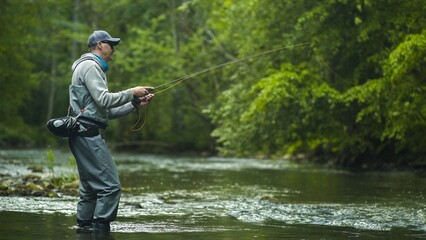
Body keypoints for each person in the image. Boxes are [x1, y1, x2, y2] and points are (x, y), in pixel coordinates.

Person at [68, 30, 154, 232]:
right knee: (111, 187)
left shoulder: (88, 66)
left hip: (82, 132)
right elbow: (104, 99)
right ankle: (100, 228)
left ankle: (85, 228)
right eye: (111, 44)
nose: (113, 49)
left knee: (90, 189)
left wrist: (135, 103)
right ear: (99, 45)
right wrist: (131, 91)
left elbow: (105, 111)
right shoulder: (91, 66)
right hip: (87, 133)